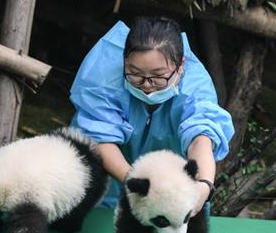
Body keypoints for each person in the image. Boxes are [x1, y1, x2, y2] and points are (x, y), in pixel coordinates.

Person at [69, 16, 235, 210]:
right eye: (135, 74)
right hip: (103, 188)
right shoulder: (104, 74)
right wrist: (139, 186)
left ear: (181, 66)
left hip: (170, 194)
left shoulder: (194, 87)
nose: (147, 85)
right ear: (124, 62)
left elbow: (201, 138)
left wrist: (203, 186)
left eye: (158, 76)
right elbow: (99, 138)